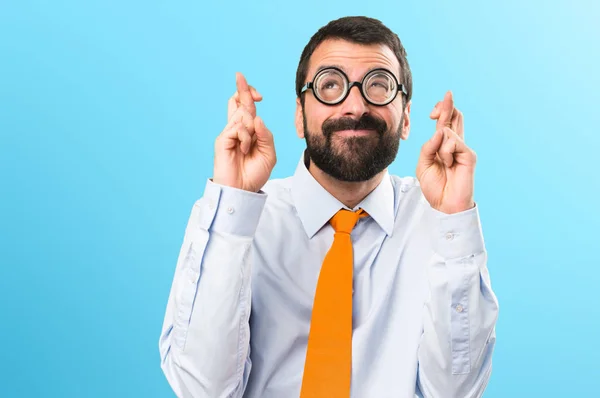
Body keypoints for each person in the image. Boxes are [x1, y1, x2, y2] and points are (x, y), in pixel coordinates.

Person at [158, 16, 499, 398]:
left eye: (379, 85)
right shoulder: (233, 218)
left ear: (406, 118)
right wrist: (233, 203)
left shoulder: (439, 226)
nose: (355, 105)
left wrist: (453, 217)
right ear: (300, 116)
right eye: (330, 85)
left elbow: (454, 392)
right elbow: (201, 389)